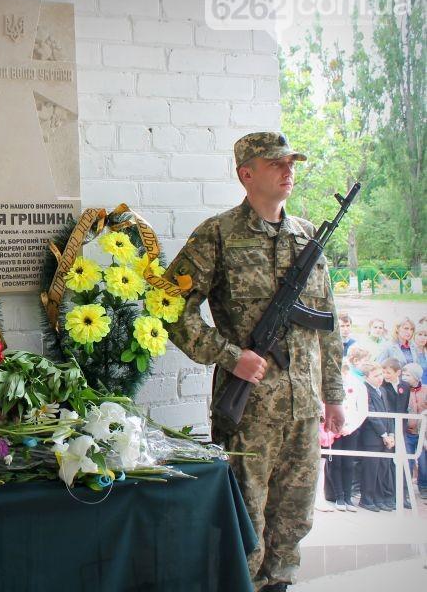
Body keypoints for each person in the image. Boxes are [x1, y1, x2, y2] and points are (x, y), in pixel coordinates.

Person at [164, 132, 345, 592]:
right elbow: (166, 306)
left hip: (302, 409)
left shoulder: (307, 238)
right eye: (276, 163)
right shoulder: (217, 235)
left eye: (292, 163)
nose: (289, 171)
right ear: (247, 174)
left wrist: (333, 395)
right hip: (248, 414)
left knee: (293, 522)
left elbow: (328, 322)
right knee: (245, 523)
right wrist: (230, 357)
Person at [325, 345, 369, 512]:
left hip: (352, 428)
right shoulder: (332, 384)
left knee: (349, 464)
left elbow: (362, 410)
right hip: (334, 429)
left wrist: (350, 426)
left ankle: (348, 497)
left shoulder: (358, 384)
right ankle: (339, 497)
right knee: (335, 462)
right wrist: (337, 426)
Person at [359, 363, 394, 512]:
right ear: (367, 377)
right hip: (372, 437)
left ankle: (378, 498)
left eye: (381, 374)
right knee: (370, 469)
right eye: (376, 376)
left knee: (382, 468)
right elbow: (371, 415)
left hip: (385, 436)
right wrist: (383, 434)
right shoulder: (365, 390)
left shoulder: (383, 391)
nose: (380, 378)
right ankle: (366, 499)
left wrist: (391, 433)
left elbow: (388, 413)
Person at [379, 358, 410, 509]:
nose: (385, 375)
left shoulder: (405, 386)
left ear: (398, 372)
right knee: (387, 463)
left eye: (388, 372)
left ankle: (402, 496)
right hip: (388, 427)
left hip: (400, 429)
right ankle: (388, 496)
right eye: (383, 372)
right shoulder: (382, 386)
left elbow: (403, 408)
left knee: (402, 462)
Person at [402, 362, 427, 499]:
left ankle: (423, 486)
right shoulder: (403, 390)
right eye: (403, 374)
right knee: (408, 461)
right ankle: (406, 488)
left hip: (422, 432)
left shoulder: (425, 390)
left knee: (423, 461)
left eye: (408, 375)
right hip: (408, 432)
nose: (404, 377)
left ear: (416, 377)